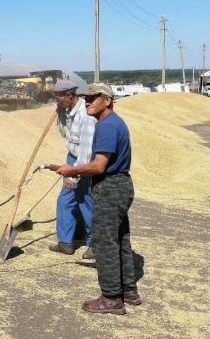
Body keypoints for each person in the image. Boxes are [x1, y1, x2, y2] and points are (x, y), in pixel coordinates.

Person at [55, 83, 141, 315]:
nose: (88, 101)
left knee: (104, 243)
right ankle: (128, 291)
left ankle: (111, 298)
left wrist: (72, 171)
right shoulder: (112, 123)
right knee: (120, 239)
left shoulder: (107, 126)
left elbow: (99, 165)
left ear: (108, 100)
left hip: (111, 186)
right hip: (120, 184)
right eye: (87, 97)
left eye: (94, 97)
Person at [48, 79, 95, 259]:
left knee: (85, 201)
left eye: (58, 97)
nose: (56, 101)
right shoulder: (67, 111)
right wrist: (60, 115)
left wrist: (74, 175)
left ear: (69, 95)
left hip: (85, 162)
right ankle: (66, 242)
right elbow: (65, 135)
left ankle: (94, 244)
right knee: (65, 201)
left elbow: (87, 149)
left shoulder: (86, 114)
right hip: (72, 157)